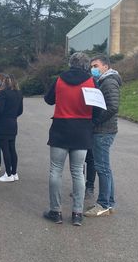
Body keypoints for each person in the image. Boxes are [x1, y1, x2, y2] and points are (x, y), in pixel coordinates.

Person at [43, 53, 97, 226]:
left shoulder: (59, 80)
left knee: (55, 170)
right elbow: (98, 108)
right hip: (81, 130)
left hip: (60, 128)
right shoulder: (91, 82)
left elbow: (48, 100)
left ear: (70, 63)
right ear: (86, 65)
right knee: (77, 172)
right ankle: (77, 213)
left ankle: (56, 211)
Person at [84, 55, 122, 217]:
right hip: (104, 129)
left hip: (103, 130)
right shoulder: (104, 81)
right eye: (92, 66)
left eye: (96, 65)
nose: (93, 68)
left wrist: (95, 121)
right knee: (104, 167)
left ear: (105, 66)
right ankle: (109, 203)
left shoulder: (109, 82)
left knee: (102, 168)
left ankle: (103, 204)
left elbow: (113, 106)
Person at [0, 74, 23, 182]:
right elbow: (20, 110)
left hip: (3, 124)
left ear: (5, 82)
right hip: (13, 123)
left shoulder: (4, 93)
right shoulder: (19, 93)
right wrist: (12, 116)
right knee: (12, 149)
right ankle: (14, 173)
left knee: (5, 149)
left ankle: (8, 174)